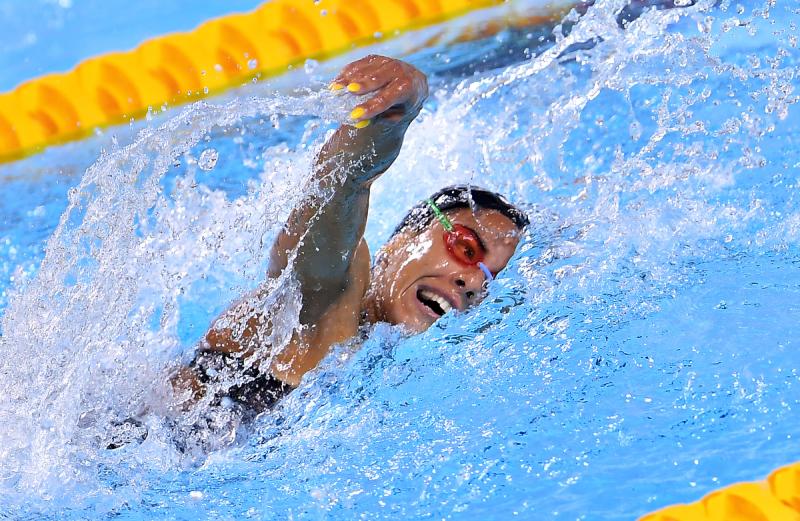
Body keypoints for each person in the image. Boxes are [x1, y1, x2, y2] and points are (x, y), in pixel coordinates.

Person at [169, 55, 529, 420]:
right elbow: (341, 187)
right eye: (466, 248)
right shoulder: (334, 292)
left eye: (488, 281)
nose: (471, 282)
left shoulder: (380, 361)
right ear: (404, 237)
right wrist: (393, 120)